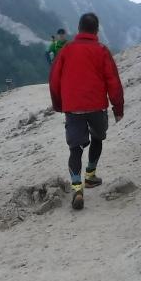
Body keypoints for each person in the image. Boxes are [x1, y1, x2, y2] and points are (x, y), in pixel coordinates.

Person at [48, 11, 124, 211]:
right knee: (98, 138)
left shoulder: (66, 49)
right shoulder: (102, 50)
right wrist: (118, 107)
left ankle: (77, 187)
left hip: (73, 108)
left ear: (79, 28)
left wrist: (59, 104)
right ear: (96, 30)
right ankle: (90, 176)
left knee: (75, 148)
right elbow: (113, 81)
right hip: (96, 106)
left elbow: (54, 80)